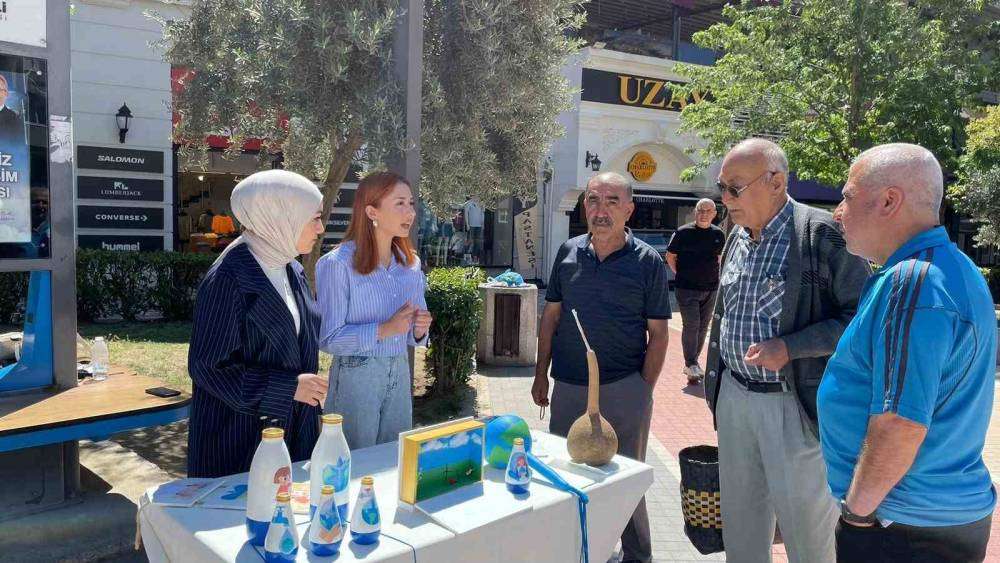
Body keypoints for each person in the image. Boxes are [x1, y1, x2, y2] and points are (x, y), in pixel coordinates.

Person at [819, 144, 996, 562]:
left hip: (900, 525)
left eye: (846, 196)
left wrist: (857, 515)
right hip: (929, 519)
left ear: (888, 201)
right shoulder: (953, 268)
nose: (837, 212)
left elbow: (900, 421)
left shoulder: (913, 281)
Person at [703, 139, 870, 563]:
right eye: (722, 187)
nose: (724, 199)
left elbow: (863, 319)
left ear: (775, 181)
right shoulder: (735, 234)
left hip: (793, 404)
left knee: (809, 539)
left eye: (734, 188)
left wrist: (791, 348)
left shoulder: (821, 233)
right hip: (735, 399)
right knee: (740, 530)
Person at [532, 172, 671, 563]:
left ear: (629, 208)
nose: (601, 210)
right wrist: (541, 372)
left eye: (612, 201)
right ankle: (574, 551)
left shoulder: (648, 262)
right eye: (594, 200)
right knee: (567, 476)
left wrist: (642, 389)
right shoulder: (568, 253)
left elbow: (659, 334)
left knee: (625, 478)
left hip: (624, 386)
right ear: (584, 207)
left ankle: (638, 556)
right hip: (570, 386)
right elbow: (551, 318)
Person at [187, 169, 328, 478]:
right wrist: (289, 388)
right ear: (281, 216)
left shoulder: (292, 269)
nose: (320, 227)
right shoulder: (227, 278)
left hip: (292, 440)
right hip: (239, 445)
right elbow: (209, 368)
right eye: (314, 217)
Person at [316, 171, 433, 449]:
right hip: (356, 377)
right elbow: (328, 339)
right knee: (351, 463)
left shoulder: (411, 264)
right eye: (400, 203)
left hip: (400, 370)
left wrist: (419, 329)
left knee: (392, 462)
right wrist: (384, 329)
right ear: (371, 211)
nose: (410, 212)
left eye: (412, 204)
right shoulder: (336, 264)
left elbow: (414, 335)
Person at [666, 198, 726, 384]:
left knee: (702, 326)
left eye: (708, 211)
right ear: (695, 212)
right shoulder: (683, 233)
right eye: (701, 210)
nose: (704, 214)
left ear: (714, 214)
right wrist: (681, 273)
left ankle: (693, 363)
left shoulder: (718, 234)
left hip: (710, 288)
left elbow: (719, 259)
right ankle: (690, 362)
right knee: (692, 325)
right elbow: (670, 256)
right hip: (687, 288)